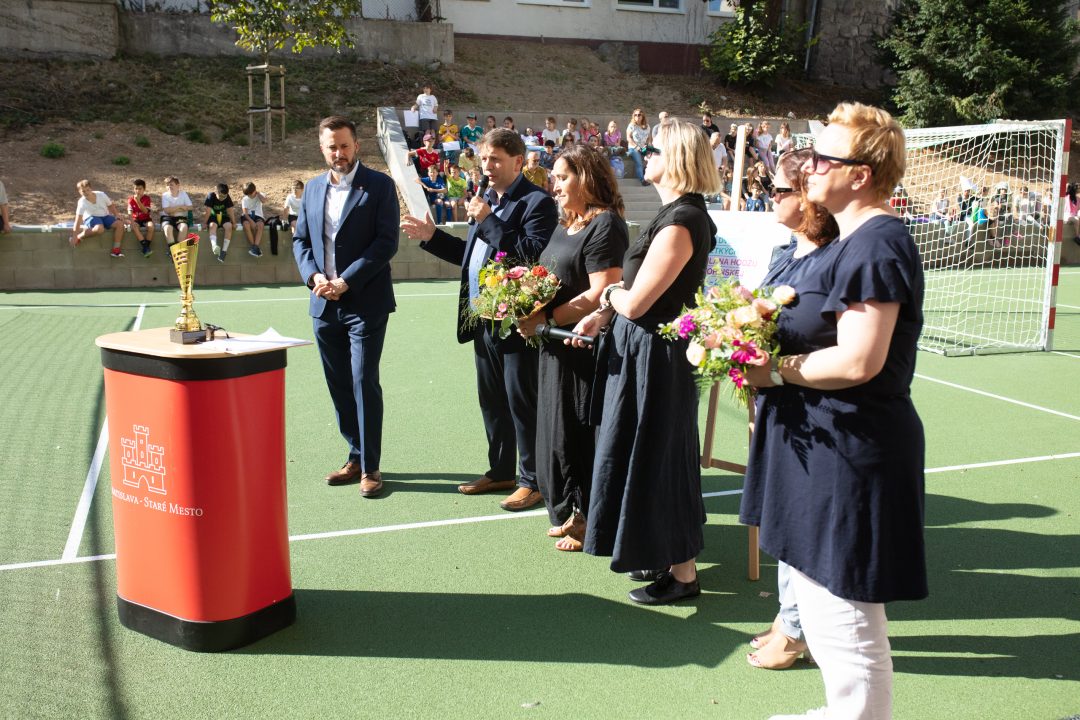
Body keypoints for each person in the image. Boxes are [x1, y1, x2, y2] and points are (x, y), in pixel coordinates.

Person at [741, 102, 927, 720]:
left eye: (825, 158)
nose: (810, 166)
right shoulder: (853, 241)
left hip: (851, 446)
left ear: (861, 174)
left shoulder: (877, 242)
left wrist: (773, 370)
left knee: (845, 617)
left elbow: (857, 361)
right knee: (823, 611)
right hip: (825, 443)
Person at [570, 118, 720, 604]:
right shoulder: (673, 215)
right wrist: (604, 313)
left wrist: (608, 297)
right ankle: (658, 554)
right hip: (643, 350)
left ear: (675, 158)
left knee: (661, 458)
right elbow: (634, 296)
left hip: (658, 356)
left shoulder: (683, 221)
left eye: (653, 149)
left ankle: (683, 574)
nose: (645, 155)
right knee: (642, 453)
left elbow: (636, 302)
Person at [401, 128, 558, 512]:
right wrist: (432, 236)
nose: (487, 166)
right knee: (492, 401)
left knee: (521, 402)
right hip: (482, 317)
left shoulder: (537, 203)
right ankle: (501, 471)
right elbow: (471, 254)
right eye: (484, 158)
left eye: (495, 159)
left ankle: (533, 481)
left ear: (517, 162)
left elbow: (529, 256)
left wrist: (488, 220)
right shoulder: (485, 200)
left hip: (516, 321)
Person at [741, 148, 838, 672]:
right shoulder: (785, 252)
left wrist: (773, 369)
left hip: (813, 407)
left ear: (808, 196)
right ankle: (789, 617)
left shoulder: (834, 258)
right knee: (781, 514)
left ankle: (799, 630)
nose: (769, 197)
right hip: (780, 403)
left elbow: (831, 342)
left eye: (778, 190)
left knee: (801, 521)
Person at [516, 145, 629, 551]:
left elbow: (602, 291)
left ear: (587, 178)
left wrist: (547, 319)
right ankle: (572, 510)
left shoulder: (606, 225)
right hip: (555, 345)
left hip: (583, 347)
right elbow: (550, 278)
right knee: (558, 432)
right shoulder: (567, 224)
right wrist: (524, 298)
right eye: (555, 177)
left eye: (563, 177)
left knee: (579, 433)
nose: (555, 185)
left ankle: (590, 519)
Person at [293, 115, 399, 498]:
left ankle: (371, 467)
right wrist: (314, 278)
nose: (338, 153)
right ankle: (354, 455)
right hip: (323, 304)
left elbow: (386, 243)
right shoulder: (312, 189)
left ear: (357, 146)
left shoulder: (380, 186)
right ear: (322, 149)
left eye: (344, 145)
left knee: (362, 380)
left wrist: (346, 280)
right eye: (331, 147)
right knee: (338, 383)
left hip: (365, 302)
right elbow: (301, 241)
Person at [71, 179, 125, 256]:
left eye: (88, 190)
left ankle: (116, 250)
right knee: (99, 229)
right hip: (91, 217)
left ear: (91, 189)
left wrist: (116, 214)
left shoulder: (101, 195)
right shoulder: (81, 202)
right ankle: (79, 236)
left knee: (120, 224)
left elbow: (110, 205)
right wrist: (74, 236)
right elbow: (78, 220)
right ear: (79, 192)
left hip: (105, 216)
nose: (86, 193)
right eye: (83, 191)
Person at [203, 182, 236, 262]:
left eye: (224, 196)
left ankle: (224, 251)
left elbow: (230, 210)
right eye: (220, 196)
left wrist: (234, 222)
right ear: (216, 192)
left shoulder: (227, 197)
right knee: (212, 226)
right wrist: (204, 223)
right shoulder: (211, 196)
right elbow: (208, 211)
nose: (222, 198)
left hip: (224, 216)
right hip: (213, 216)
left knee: (229, 226)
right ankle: (214, 246)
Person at [160, 176, 193, 247]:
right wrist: (180, 206)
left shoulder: (183, 194)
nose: (169, 187)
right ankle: (172, 249)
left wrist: (173, 210)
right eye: (167, 185)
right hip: (167, 217)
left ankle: (178, 249)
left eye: (171, 185)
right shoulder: (165, 195)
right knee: (167, 228)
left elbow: (190, 207)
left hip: (180, 217)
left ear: (178, 186)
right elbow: (167, 211)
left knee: (184, 227)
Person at [126, 179, 156, 257]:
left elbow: (145, 211)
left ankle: (145, 248)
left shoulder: (147, 198)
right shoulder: (130, 199)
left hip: (146, 218)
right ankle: (145, 247)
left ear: (144, 189)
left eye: (140, 189)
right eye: (136, 188)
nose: (138, 191)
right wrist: (132, 222)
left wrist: (138, 201)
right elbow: (129, 212)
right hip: (136, 219)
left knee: (151, 227)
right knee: (135, 227)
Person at [240, 182, 267, 257]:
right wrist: (251, 221)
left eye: (250, 194)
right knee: (246, 225)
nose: (249, 196)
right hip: (247, 216)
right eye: (247, 194)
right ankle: (254, 247)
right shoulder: (245, 199)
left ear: (254, 190)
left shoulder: (260, 195)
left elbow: (264, 201)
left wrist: (257, 193)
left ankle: (255, 246)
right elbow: (245, 213)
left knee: (260, 225)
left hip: (258, 216)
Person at [626, 109, 651, 186]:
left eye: (639, 115)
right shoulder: (632, 125)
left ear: (642, 116)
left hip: (643, 147)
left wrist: (648, 145)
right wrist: (636, 147)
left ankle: (647, 174)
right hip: (633, 148)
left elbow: (649, 138)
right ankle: (642, 179)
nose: (637, 116)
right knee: (639, 162)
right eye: (635, 115)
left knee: (654, 155)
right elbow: (628, 138)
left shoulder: (647, 126)